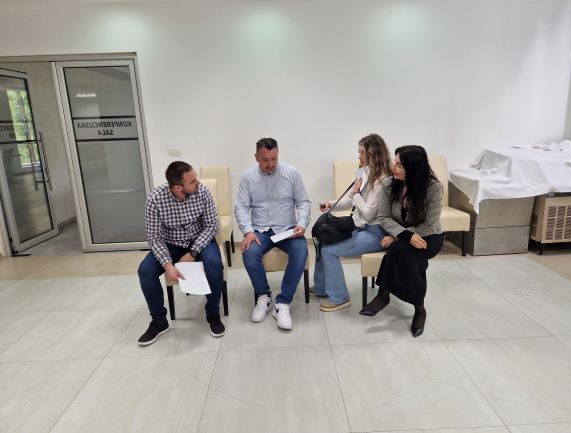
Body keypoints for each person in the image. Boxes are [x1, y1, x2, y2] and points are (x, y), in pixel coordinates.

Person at [137, 161, 225, 346]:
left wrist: (192, 252)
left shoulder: (202, 192)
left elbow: (212, 226)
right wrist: (168, 265)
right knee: (145, 271)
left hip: (200, 240)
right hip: (171, 243)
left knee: (215, 265)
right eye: (192, 181)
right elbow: (154, 238)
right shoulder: (155, 199)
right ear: (178, 187)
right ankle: (159, 321)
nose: (198, 182)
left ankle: (213, 314)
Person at [359, 145, 444, 337]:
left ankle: (384, 294)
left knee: (400, 250)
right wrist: (404, 236)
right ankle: (419, 308)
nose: (393, 168)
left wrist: (400, 236)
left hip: (430, 236)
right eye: (395, 163)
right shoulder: (390, 184)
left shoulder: (433, 188)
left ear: (413, 168)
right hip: (403, 236)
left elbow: (430, 225)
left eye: (399, 165)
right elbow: (384, 217)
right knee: (409, 255)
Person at [234, 138, 311, 330]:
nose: (271, 164)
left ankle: (282, 304)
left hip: (287, 229)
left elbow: (303, 202)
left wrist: (301, 224)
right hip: (260, 230)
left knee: (301, 251)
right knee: (249, 253)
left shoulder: (292, 173)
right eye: (265, 160)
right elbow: (241, 207)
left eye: (274, 159)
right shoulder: (247, 177)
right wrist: (247, 231)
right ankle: (264, 297)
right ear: (256, 157)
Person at [313, 134, 392, 312]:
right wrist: (330, 204)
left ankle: (340, 298)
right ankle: (321, 287)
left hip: (375, 233)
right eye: (359, 152)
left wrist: (356, 193)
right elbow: (350, 199)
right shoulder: (365, 173)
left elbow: (369, 213)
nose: (359, 156)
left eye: (362, 152)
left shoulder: (383, 180)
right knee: (322, 240)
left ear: (373, 154)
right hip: (360, 228)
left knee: (329, 251)